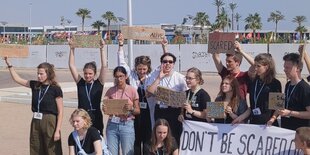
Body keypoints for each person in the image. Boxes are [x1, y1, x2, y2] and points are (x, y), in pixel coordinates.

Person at [117, 33, 167, 155]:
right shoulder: (132, 76)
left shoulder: (152, 76)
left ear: (148, 68)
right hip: (135, 113)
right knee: (135, 143)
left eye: (144, 69)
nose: (142, 71)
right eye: (139, 69)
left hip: (148, 114)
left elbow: (164, 64)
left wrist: (164, 47)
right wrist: (121, 45)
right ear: (136, 68)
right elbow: (121, 63)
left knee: (147, 143)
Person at [4, 57, 63, 155]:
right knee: (36, 146)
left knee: (51, 148)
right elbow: (17, 79)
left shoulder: (55, 89)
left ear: (48, 74)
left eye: (41, 74)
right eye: (38, 73)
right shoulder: (35, 85)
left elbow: (60, 111)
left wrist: (57, 130)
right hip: (36, 119)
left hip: (50, 120)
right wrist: (9, 65)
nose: (39, 76)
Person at [146, 52, 188, 145]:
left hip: (174, 111)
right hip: (160, 110)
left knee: (174, 138)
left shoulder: (180, 78)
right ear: (161, 63)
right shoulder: (156, 75)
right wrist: (159, 78)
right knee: (160, 137)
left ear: (173, 64)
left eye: (170, 62)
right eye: (165, 61)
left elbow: (186, 96)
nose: (167, 64)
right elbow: (149, 93)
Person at [68, 38, 107, 135]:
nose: (87, 76)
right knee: (82, 142)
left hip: (96, 117)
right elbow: (71, 66)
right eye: (85, 73)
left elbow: (104, 66)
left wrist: (102, 49)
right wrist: (72, 49)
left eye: (90, 73)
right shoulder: (80, 83)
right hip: (81, 117)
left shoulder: (99, 83)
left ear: (94, 73)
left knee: (97, 143)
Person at [102, 66, 140, 155]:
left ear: (126, 76)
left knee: (128, 152)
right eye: (117, 76)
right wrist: (105, 108)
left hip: (127, 124)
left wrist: (131, 108)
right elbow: (105, 105)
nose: (119, 79)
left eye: (121, 76)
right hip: (112, 124)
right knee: (111, 153)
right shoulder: (110, 91)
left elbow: (138, 111)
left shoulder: (132, 90)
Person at [245, 53, 282, 125]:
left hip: (268, 123)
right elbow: (252, 105)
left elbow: (278, 106)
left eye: (258, 66)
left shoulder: (275, 83)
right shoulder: (254, 81)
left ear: (267, 67)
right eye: (255, 65)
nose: (255, 68)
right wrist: (240, 118)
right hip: (254, 122)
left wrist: (272, 119)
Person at [277, 53, 310, 130]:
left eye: (288, 67)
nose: (284, 70)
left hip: (300, 132)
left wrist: (290, 113)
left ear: (297, 68)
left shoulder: (304, 88)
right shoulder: (288, 84)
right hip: (286, 130)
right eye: (284, 67)